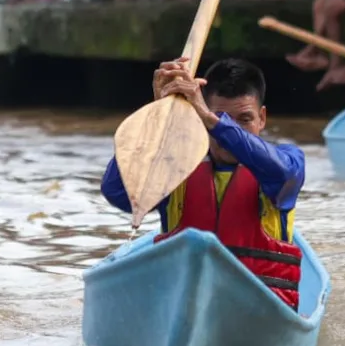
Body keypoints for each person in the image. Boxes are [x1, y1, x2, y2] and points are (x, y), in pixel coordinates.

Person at [99, 57, 307, 309]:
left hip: (259, 308)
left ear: (262, 118)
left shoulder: (287, 162)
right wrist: (159, 117)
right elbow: (116, 193)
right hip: (181, 303)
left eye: (245, 119)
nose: (230, 131)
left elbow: (282, 172)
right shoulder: (177, 165)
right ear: (196, 114)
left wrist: (213, 120)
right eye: (221, 117)